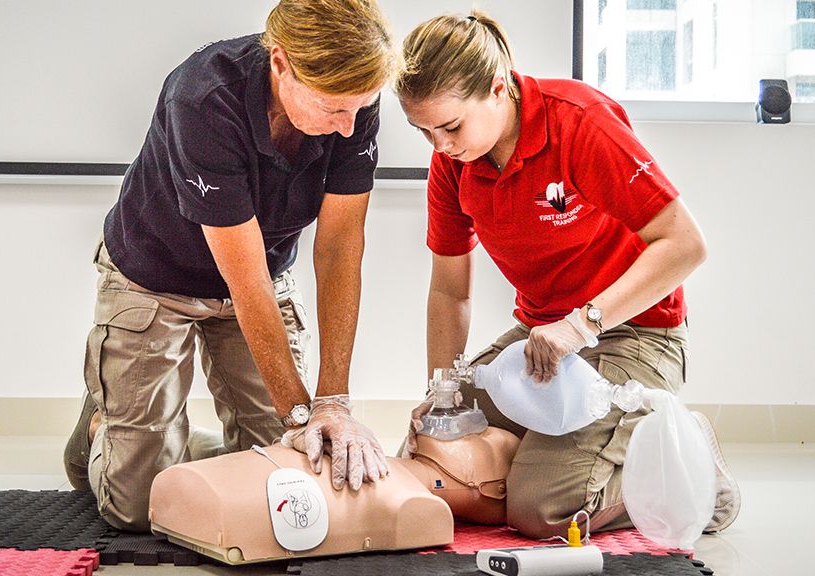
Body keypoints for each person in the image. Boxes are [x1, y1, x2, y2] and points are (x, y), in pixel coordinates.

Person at [396, 11, 740, 539]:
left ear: (497, 87)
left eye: (450, 127)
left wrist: (582, 325)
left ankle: (687, 464)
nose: (439, 148)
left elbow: (686, 244)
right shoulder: (455, 164)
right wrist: (442, 390)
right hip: (542, 338)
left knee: (542, 511)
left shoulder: (578, 122)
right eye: (423, 132)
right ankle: (555, 453)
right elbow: (449, 290)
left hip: (635, 332)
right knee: (431, 453)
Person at [63, 0, 396, 532]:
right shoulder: (201, 99)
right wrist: (298, 413)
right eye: (334, 108)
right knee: (138, 509)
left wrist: (332, 402)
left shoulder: (351, 97)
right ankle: (107, 423)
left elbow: (337, 249)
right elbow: (245, 285)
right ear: (281, 64)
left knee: (286, 476)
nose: (348, 126)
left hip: (264, 273)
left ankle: (164, 440)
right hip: (154, 278)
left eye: (361, 108)